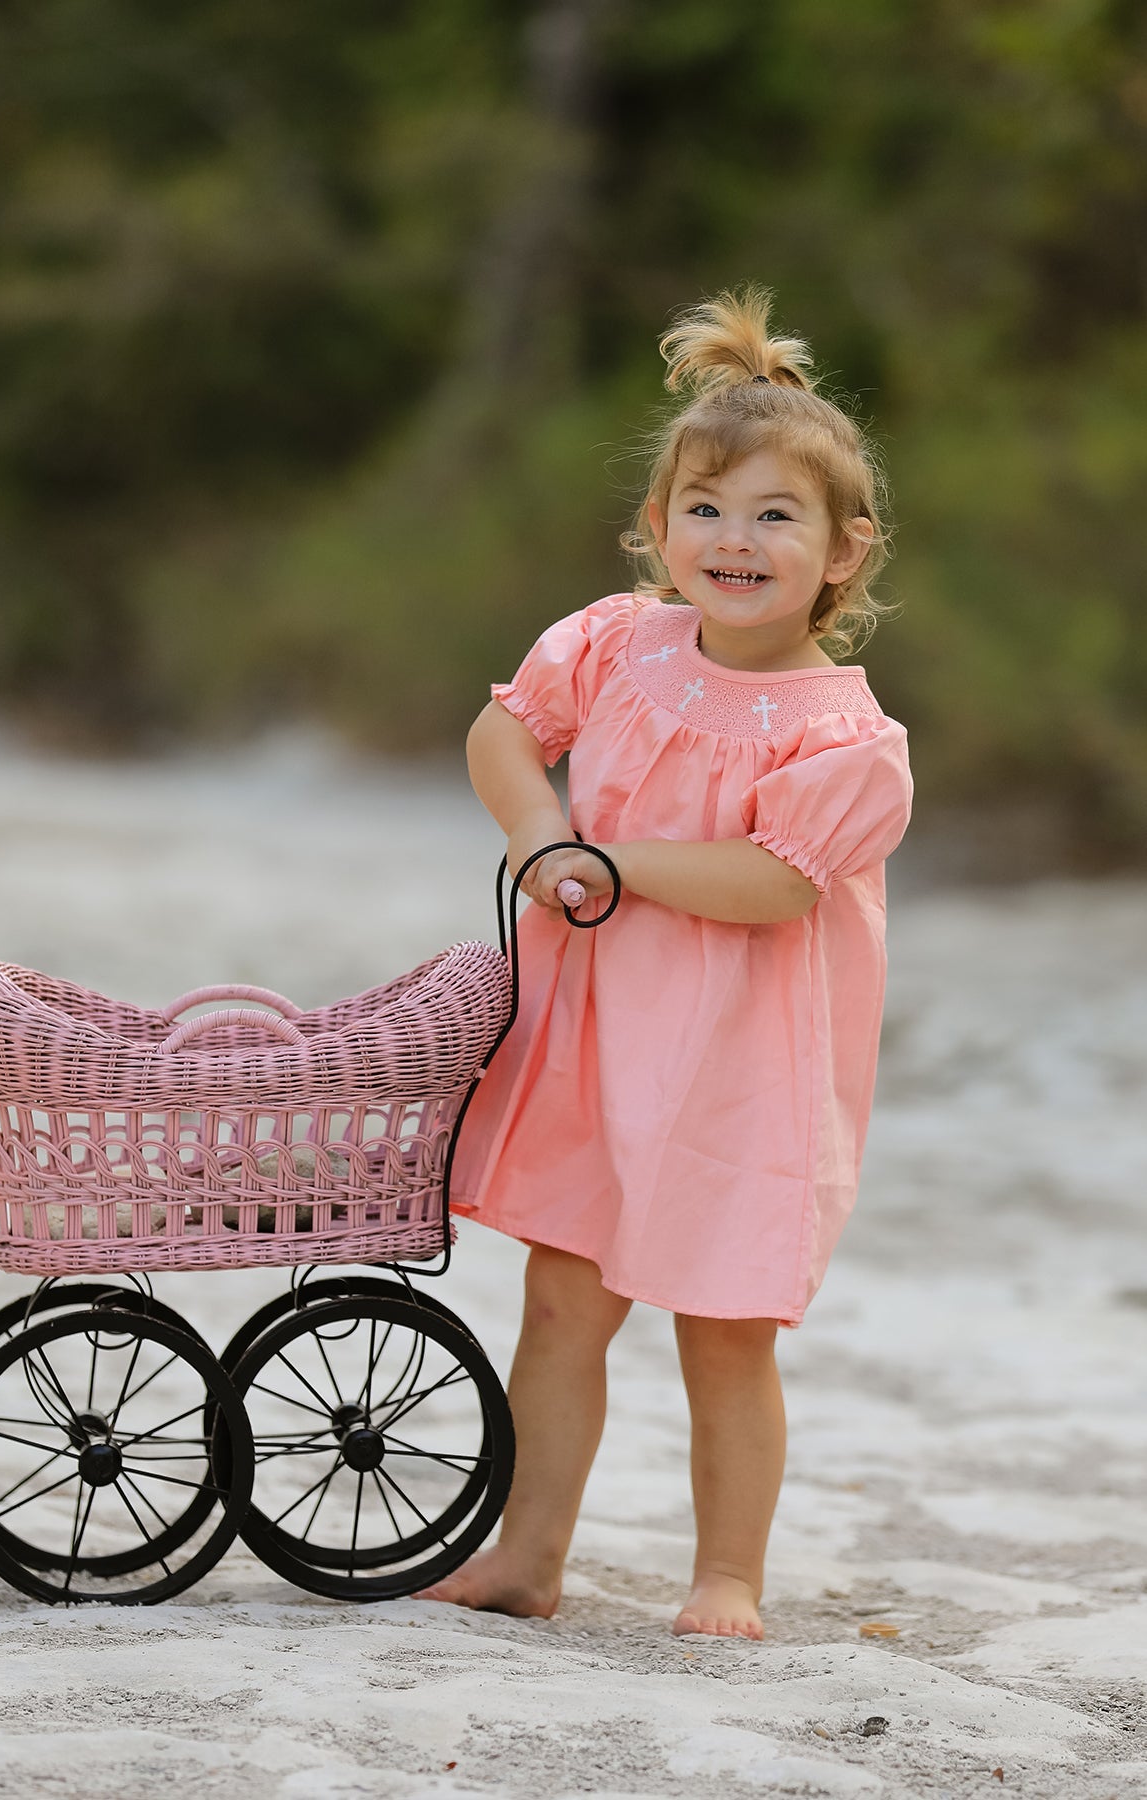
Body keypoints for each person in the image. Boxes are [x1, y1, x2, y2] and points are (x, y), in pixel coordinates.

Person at [418, 285, 913, 1641]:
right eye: (705, 508)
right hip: (596, 1040)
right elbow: (504, 733)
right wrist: (540, 835)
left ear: (844, 550)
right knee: (561, 1302)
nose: (733, 540)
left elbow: (770, 885)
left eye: (775, 516)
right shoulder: (617, 647)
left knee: (725, 1327)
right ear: (657, 525)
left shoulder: (845, 738)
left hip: (741, 1073)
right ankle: (526, 1555)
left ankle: (726, 1577)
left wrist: (616, 863)